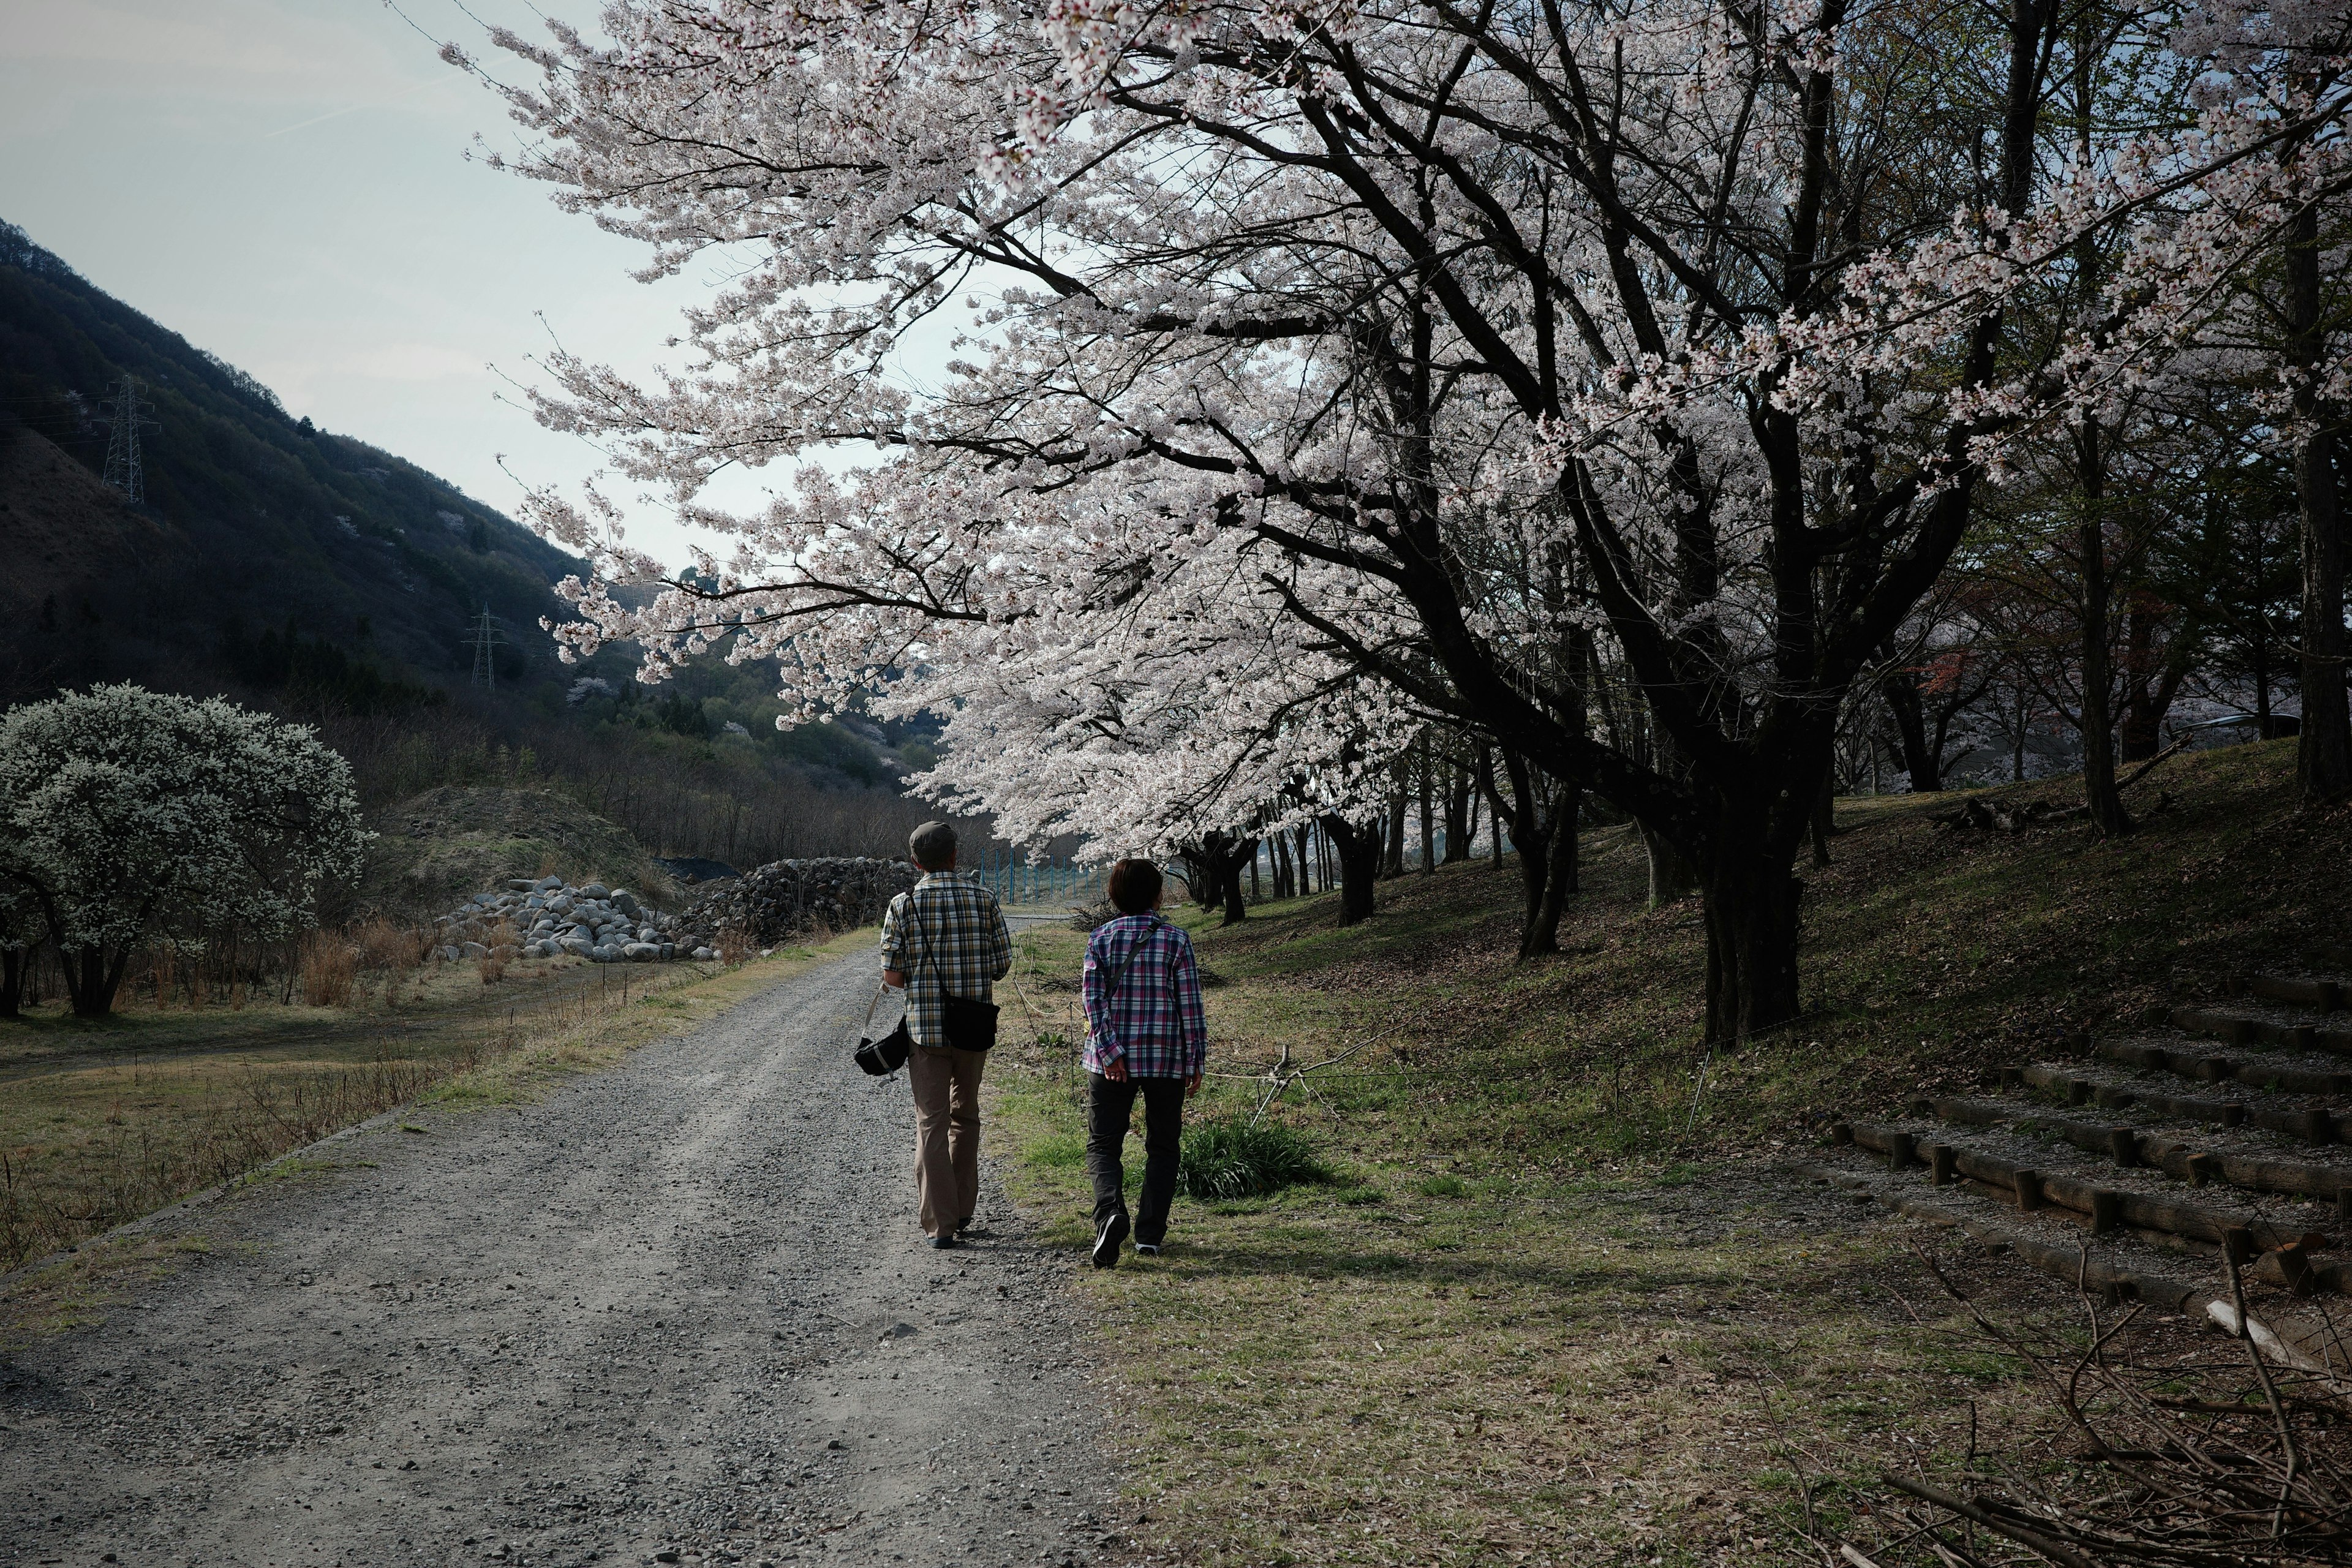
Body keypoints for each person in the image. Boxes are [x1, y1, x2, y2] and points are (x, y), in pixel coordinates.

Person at [880, 821, 1011, 1250]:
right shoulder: (985, 898)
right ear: (956, 856)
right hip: (973, 1027)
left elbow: (894, 977)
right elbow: (1001, 965)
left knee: (931, 1122)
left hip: (926, 1029)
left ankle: (941, 1225)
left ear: (916, 862)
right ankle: (965, 1208)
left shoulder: (903, 904)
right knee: (966, 1115)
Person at [1080, 858, 1207, 1267]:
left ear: (1114, 895)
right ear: (1157, 894)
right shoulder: (1177, 939)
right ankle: (1149, 1236)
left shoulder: (1100, 938)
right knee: (1164, 1146)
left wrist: (1110, 1051)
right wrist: (1195, 1059)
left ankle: (1110, 1215)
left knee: (1103, 1144)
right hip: (1166, 1058)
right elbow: (1190, 1005)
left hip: (1111, 1062)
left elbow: (1093, 1001)